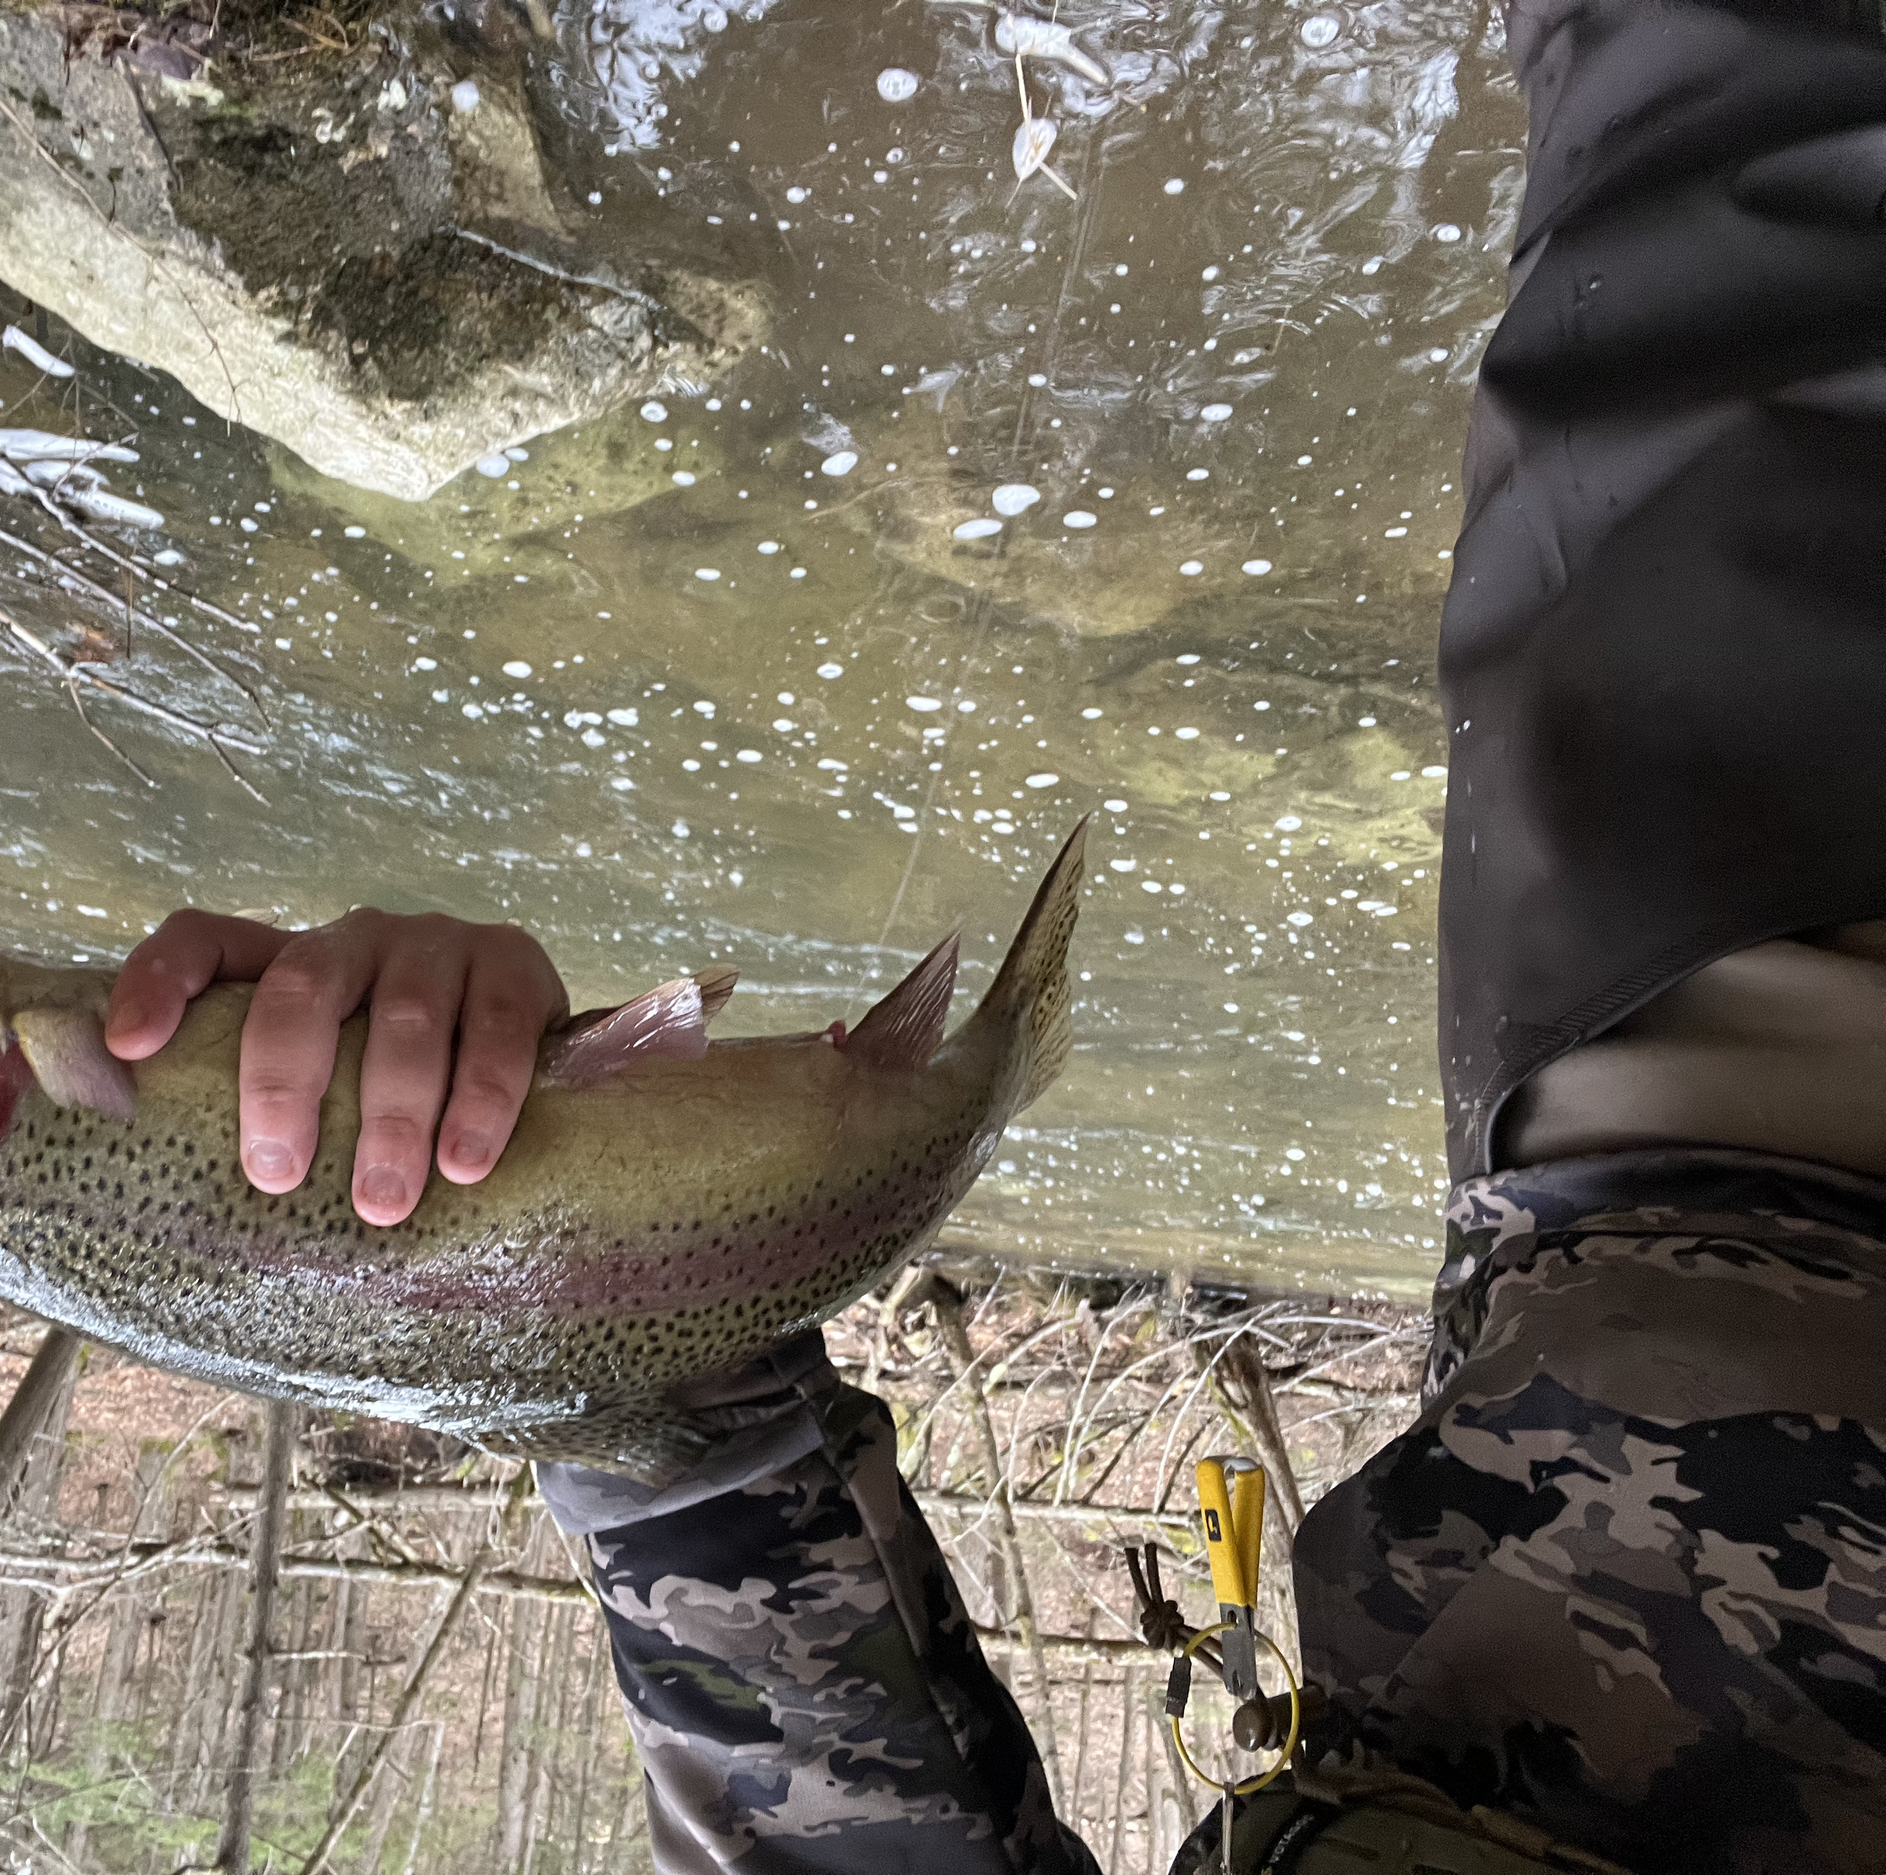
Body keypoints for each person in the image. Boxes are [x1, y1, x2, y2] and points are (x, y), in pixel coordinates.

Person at [104, 3, 1886, 1866]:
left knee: (1739, 87)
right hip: (1737, 1172)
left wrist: (500, 1239)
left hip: (1716, 1180)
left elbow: (795, 1694)